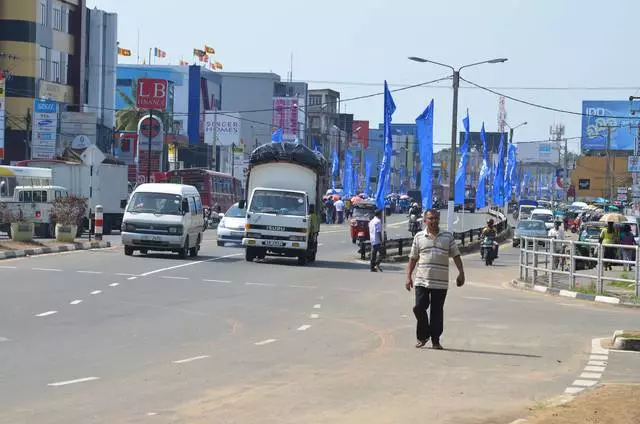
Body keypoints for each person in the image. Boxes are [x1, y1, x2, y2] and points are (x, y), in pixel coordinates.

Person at [406, 209, 465, 350]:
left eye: (436, 218)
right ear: (425, 220)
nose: (434, 221)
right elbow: (413, 258)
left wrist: (461, 273)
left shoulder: (447, 237)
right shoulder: (419, 237)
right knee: (419, 307)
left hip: (440, 282)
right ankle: (423, 335)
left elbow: (456, 255)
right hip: (422, 280)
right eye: (431, 218)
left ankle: (435, 340)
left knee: (437, 311)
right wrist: (408, 276)